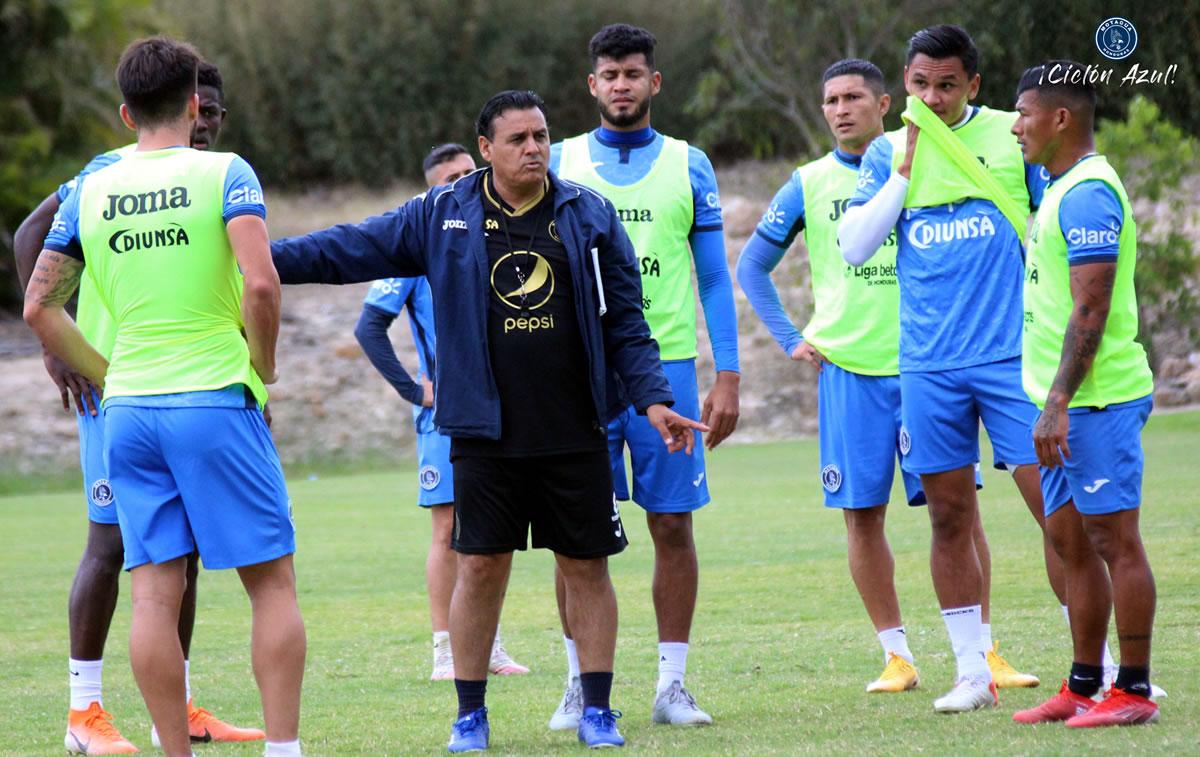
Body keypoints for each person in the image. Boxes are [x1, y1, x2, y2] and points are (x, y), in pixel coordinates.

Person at [269, 89, 707, 752]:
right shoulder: (442, 213)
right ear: (486, 149)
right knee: (479, 567)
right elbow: (346, 249)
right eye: (519, 139)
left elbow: (628, 323)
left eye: (541, 136)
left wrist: (650, 396)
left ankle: (598, 709)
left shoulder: (587, 215)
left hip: (575, 427)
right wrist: (257, 257)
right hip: (484, 432)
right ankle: (469, 715)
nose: (534, 148)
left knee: (587, 565)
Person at [23, 37, 306, 757]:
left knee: (152, 592)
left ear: (125, 112)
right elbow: (264, 283)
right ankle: (284, 749)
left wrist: (104, 371)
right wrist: (261, 364)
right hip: (211, 395)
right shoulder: (224, 172)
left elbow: (39, 306)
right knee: (270, 583)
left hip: (130, 410)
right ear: (191, 103)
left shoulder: (92, 185)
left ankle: (170, 747)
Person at [838, 24, 1057, 712]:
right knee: (948, 517)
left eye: (947, 85)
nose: (932, 98)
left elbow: (1051, 222)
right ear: (905, 82)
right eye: (920, 85)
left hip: (1011, 360)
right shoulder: (885, 151)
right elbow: (855, 244)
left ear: (974, 85)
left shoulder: (1011, 134)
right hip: (928, 366)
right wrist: (904, 168)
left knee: (1059, 511)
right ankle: (971, 671)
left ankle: (1102, 662)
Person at [550, 23, 739, 728]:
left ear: (653, 83)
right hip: (576, 374)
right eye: (610, 74)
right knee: (574, 536)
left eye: (634, 73)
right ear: (591, 84)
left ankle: (671, 685)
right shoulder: (560, 160)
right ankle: (579, 684)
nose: (622, 84)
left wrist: (731, 374)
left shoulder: (690, 164)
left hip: (667, 374)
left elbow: (714, 279)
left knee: (671, 525)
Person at [739, 58, 934, 694]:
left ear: (886, 105)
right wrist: (792, 339)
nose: (841, 108)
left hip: (926, 365)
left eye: (854, 97)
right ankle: (897, 656)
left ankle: (982, 652)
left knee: (955, 512)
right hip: (849, 370)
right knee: (862, 516)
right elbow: (750, 269)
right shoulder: (807, 183)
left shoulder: (924, 161)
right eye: (830, 99)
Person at [1009, 61, 1160, 727]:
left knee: (1113, 537)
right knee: (1071, 540)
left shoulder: (1090, 193)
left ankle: (1133, 689)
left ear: (1060, 118)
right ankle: (1082, 683)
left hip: (1096, 400)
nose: (1016, 126)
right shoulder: (1058, 185)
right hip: (1063, 400)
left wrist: (1058, 400)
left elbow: (1091, 309)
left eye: (1024, 113)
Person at [354, 142, 529, 681]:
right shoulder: (419, 242)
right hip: (443, 414)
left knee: (491, 530)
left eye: (466, 172)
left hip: (497, 407)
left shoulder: (496, 230)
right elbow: (369, 326)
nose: (462, 180)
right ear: (431, 188)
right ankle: (444, 652)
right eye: (448, 176)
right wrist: (414, 390)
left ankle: (487, 646)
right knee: (447, 527)